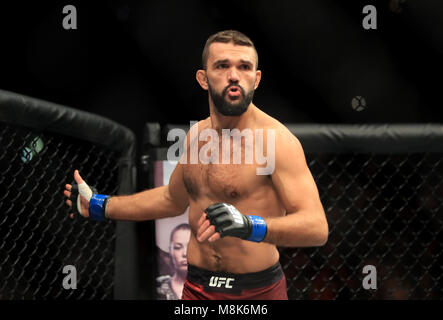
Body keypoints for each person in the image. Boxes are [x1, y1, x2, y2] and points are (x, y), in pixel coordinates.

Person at [64, 30, 328, 300]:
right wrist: (99, 205)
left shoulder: (276, 141)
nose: (234, 75)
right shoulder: (196, 136)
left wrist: (250, 226)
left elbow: (317, 227)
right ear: (203, 78)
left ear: (256, 79)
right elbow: (172, 199)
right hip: (196, 289)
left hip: (256, 293)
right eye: (222, 66)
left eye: (244, 67)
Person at [157, 223, 191, 300]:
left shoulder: (211, 289)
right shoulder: (158, 287)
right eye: (177, 247)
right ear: (170, 251)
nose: (185, 253)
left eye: (190, 247)